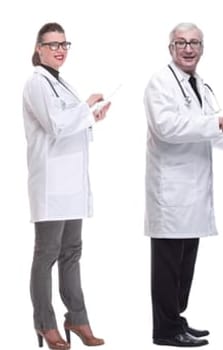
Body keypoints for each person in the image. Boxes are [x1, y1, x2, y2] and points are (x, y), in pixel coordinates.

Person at [143, 22, 223, 348]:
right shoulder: (159, 83)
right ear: (171, 48)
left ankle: (176, 319)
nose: (188, 49)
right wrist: (212, 123)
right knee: (168, 264)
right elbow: (166, 127)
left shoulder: (198, 84)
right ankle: (164, 329)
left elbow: (202, 129)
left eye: (194, 43)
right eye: (181, 43)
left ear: (202, 49)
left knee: (186, 261)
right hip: (171, 190)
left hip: (192, 189)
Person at [23, 22, 109, 350]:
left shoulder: (63, 84)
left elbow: (72, 124)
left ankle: (78, 317)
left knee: (72, 252)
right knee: (46, 254)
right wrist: (86, 108)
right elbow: (56, 125)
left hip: (72, 185)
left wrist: (91, 117)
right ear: (38, 49)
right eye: (52, 44)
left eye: (64, 44)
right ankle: (44, 323)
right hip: (50, 184)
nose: (60, 49)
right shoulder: (36, 84)